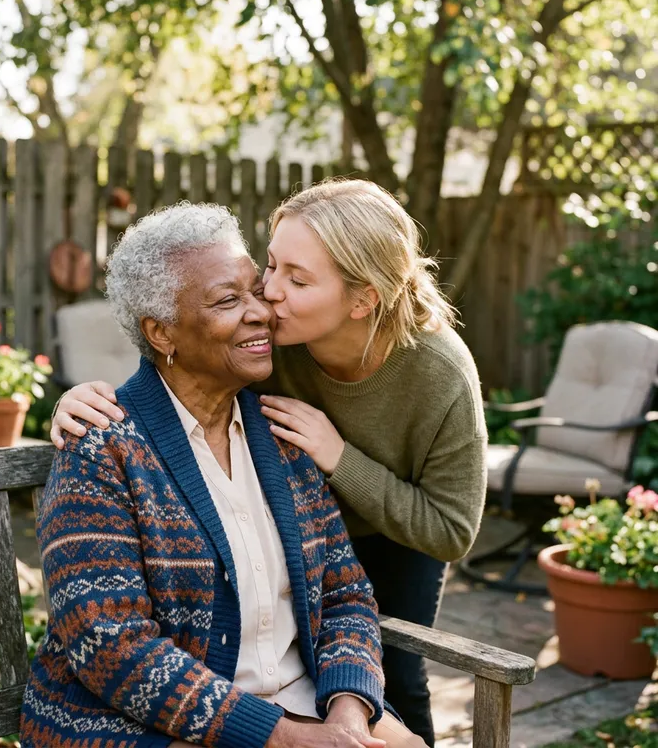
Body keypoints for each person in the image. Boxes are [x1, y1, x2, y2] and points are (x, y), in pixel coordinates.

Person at [50, 180, 488, 746]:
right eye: (260, 279)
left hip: (393, 535)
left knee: (401, 686)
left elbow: (348, 591)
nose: (267, 303)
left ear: (361, 301)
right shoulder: (112, 445)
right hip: (193, 714)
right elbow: (113, 643)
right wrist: (69, 404)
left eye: (289, 281)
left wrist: (348, 715)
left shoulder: (306, 422)